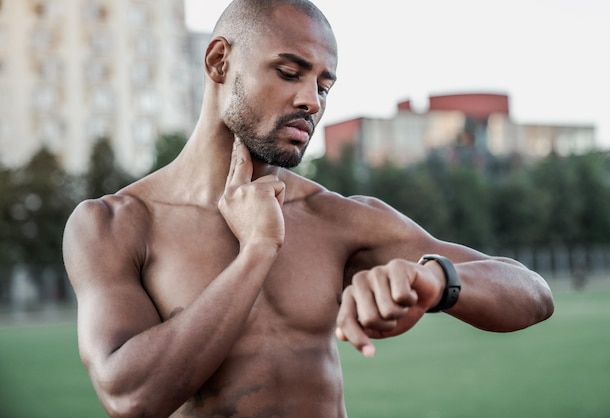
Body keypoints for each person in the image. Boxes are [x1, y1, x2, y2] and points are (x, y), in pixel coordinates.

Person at [62, 0, 554, 416]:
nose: (312, 101)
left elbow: (533, 295)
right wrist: (257, 250)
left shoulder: (333, 217)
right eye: (289, 72)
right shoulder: (115, 223)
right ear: (218, 62)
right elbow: (130, 396)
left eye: (323, 84)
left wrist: (435, 279)